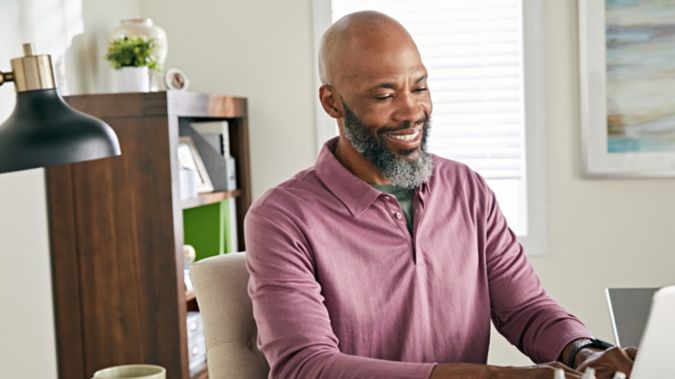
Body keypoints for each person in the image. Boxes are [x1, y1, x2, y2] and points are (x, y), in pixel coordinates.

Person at [245, 11, 636, 379]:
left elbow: (525, 309)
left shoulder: (466, 188)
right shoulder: (282, 217)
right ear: (332, 102)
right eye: (384, 96)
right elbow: (306, 367)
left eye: (419, 87)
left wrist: (584, 351)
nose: (411, 111)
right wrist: (490, 376)